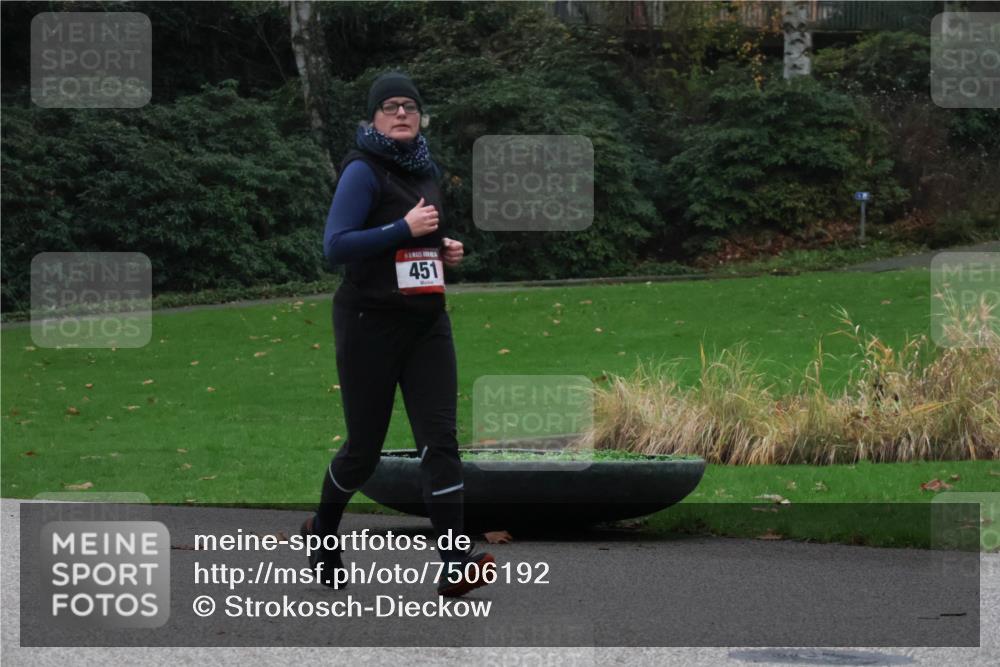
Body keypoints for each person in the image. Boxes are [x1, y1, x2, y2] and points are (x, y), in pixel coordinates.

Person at [301, 71, 494, 598]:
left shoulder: (426, 169)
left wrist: (443, 251)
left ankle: (457, 561)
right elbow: (336, 245)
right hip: (369, 324)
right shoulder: (363, 172)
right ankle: (322, 532)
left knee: (441, 442)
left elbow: (417, 247)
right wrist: (402, 230)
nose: (402, 113)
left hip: (427, 323)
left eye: (410, 105)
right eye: (390, 106)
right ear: (373, 119)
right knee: (364, 451)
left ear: (421, 116)